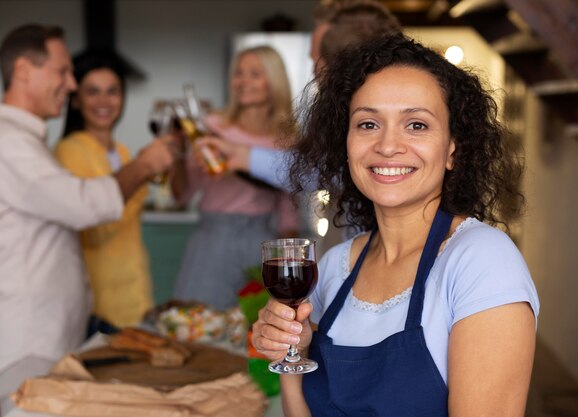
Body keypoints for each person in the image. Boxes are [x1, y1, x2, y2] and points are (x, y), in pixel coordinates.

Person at [251, 34, 539, 416]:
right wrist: (291, 350)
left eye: (416, 125)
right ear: (347, 143)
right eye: (368, 123)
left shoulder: (482, 261)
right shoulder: (335, 268)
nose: (388, 146)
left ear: (453, 148)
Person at [0, 24, 174, 416]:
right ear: (25, 70)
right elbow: (83, 205)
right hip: (27, 346)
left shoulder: (23, 141)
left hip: (46, 341)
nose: (72, 83)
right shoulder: (7, 143)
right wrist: (144, 165)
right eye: (62, 71)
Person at [197, 0, 402, 192]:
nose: (314, 70)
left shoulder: (379, 120)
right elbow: (322, 171)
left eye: (319, 58)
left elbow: (325, 173)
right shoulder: (348, 118)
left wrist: (244, 157)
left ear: (347, 62)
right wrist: (243, 156)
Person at [170, 45, 300, 310]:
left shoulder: (287, 138)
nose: (243, 82)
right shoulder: (211, 127)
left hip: (262, 241)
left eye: (254, 74)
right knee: (194, 322)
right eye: (238, 73)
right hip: (212, 241)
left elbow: (289, 211)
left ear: (273, 80)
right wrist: (177, 154)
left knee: (256, 329)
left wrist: (289, 266)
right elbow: (181, 195)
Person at [54, 50, 153, 330]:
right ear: (75, 99)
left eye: (112, 91)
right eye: (92, 92)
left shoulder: (122, 152)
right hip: (98, 307)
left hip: (134, 298)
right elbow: (94, 232)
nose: (104, 101)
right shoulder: (69, 151)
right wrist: (141, 172)